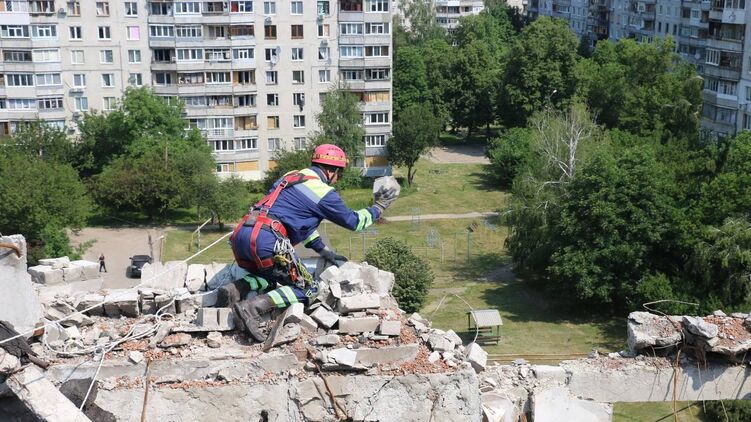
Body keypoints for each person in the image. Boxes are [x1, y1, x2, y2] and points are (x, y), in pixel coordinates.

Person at [222, 144, 398, 341]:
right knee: (308, 288)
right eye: (338, 174)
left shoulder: (291, 176)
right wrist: (379, 207)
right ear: (331, 171)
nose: (337, 180)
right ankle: (252, 308)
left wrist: (323, 250)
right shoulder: (323, 193)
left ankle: (236, 288)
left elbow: (298, 223)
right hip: (267, 241)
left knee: (273, 275)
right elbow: (354, 221)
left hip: (242, 235)